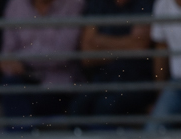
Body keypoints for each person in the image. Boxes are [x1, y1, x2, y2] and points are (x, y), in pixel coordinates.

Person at [0, 0, 84, 131]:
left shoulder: (73, 4)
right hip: (24, 82)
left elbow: (63, 54)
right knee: (9, 85)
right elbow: (6, 56)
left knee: (18, 107)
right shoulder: (16, 4)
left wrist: (22, 60)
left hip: (58, 88)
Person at [71, 0, 155, 126]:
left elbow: (139, 45)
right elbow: (87, 57)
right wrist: (127, 48)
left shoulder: (145, 4)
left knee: (106, 107)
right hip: (102, 78)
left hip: (135, 80)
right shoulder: (98, 4)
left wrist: (98, 42)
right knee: (77, 109)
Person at [150, 0, 181, 129]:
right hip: (177, 83)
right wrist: (160, 94)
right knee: (153, 131)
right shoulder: (162, 4)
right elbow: (161, 51)